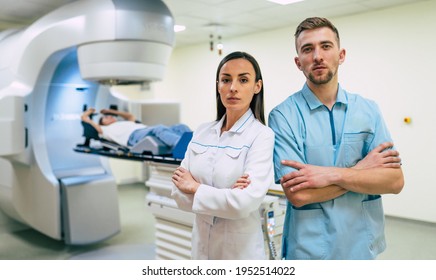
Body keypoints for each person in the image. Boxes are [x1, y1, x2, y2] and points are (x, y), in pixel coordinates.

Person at [268, 17, 404, 260]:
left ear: (341, 55)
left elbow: (394, 181)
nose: (317, 56)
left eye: (326, 46)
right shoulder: (283, 116)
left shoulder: (368, 110)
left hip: (363, 246)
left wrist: (331, 175)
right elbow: (299, 195)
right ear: (298, 62)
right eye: (308, 49)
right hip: (310, 251)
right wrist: (363, 170)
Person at [171, 51, 275, 260]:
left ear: (257, 86)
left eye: (243, 80)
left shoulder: (261, 135)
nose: (233, 88)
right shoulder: (202, 132)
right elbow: (177, 193)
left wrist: (195, 187)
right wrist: (227, 196)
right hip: (201, 247)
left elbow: (243, 204)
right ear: (218, 85)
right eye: (226, 80)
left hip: (239, 252)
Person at [81, 107, 191, 149]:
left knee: (180, 127)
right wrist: (90, 111)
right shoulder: (104, 130)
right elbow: (84, 118)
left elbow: (130, 116)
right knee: (159, 128)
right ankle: (184, 148)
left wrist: (110, 111)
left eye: (110, 116)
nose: (109, 117)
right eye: (105, 118)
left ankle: (195, 144)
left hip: (145, 131)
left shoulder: (124, 122)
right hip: (134, 137)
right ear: (102, 124)